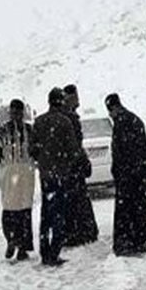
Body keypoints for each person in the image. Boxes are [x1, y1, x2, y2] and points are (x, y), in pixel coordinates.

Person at [31, 88, 79, 267]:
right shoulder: (65, 122)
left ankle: (44, 251)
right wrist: (66, 162)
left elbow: (32, 150)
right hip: (61, 174)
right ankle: (54, 252)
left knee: (46, 213)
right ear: (61, 101)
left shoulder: (39, 122)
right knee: (59, 214)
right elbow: (73, 150)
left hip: (45, 174)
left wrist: (44, 159)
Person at [106, 94, 146, 256]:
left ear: (113, 108)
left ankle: (125, 243)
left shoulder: (120, 124)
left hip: (127, 175)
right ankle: (141, 242)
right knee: (140, 209)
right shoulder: (135, 120)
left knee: (124, 210)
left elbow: (118, 153)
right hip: (140, 174)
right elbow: (144, 147)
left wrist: (117, 172)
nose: (110, 116)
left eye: (109, 112)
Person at [60, 84, 99, 247]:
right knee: (77, 200)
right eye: (76, 96)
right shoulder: (70, 118)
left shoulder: (66, 116)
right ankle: (81, 233)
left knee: (72, 201)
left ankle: (74, 232)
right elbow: (75, 143)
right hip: (73, 167)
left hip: (66, 167)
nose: (78, 100)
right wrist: (81, 160)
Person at [0, 100, 36, 261]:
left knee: (9, 208)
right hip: (25, 172)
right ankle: (22, 246)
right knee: (24, 210)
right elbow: (34, 150)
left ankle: (11, 239)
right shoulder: (28, 129)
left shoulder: (3, 130)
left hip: (9, 171)